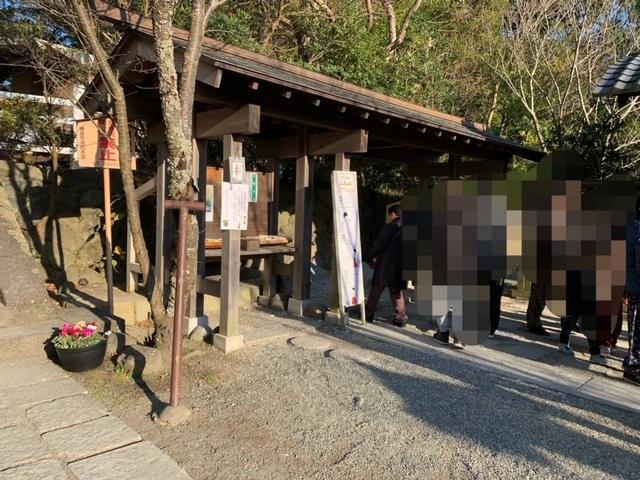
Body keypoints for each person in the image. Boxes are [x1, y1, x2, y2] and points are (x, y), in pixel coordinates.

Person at [364, 204, 408, 327]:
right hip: (400, 266)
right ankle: (401, 318)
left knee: (376, 289)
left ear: (393, 214)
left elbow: (379, 245)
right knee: (396, 291)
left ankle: (368, 314)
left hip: (385, 264)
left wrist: (369, 256)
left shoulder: (389, 227)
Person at [623, 198, 640, 385]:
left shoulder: (632, 226)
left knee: (634, 327)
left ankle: (632, 360)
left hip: (632, 284)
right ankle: (633, 366)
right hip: (637, 285)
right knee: (637, 329)